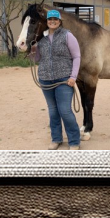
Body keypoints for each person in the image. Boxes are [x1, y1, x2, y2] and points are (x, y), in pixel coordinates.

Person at [32, 10, 81, 150]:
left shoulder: (67, 35)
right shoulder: (42, 38)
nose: (52, 21)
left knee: (65, 110)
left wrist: (73, 77)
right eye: (50, 19)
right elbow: (36, 59)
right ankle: (56, 139)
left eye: (55, 19)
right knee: (53, 111)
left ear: (59, 21)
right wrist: (31, 47)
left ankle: (74, 141)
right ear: (46, 21)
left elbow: (77, 57)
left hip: (64, 80)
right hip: (45, 79)